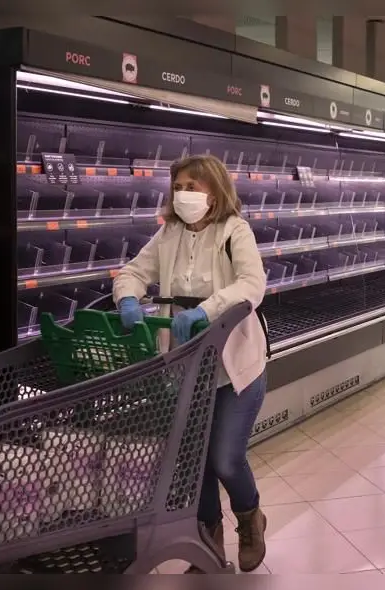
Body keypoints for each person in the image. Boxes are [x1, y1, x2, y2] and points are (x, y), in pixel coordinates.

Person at [113, 154, 269, 573]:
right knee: (194, 461)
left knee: (224, 458)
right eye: (178, 187)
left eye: (192, 188)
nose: (183, 195)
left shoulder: (235, 231)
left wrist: (206, 310)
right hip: (185, 368)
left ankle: (251, 518)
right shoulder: (169, 236)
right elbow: (132, 272)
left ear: (214, 194)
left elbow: (252, 285)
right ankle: (209, 543)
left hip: (235, 367)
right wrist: (128, 298)